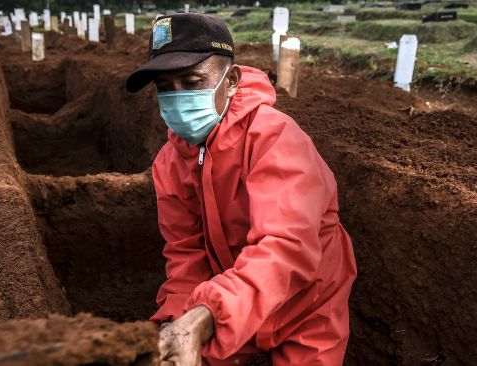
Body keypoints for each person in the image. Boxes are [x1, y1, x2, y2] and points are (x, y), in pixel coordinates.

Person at [126, 13, 357, 366]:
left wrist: (204, 316)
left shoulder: (277, 140)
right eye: (164, 88)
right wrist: (174, 323)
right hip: (233, 299)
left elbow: (284, 249)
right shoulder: (170, 163)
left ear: (231, 80)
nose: (177, 98)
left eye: (191, 82)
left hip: (306, 303)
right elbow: (186, 256)